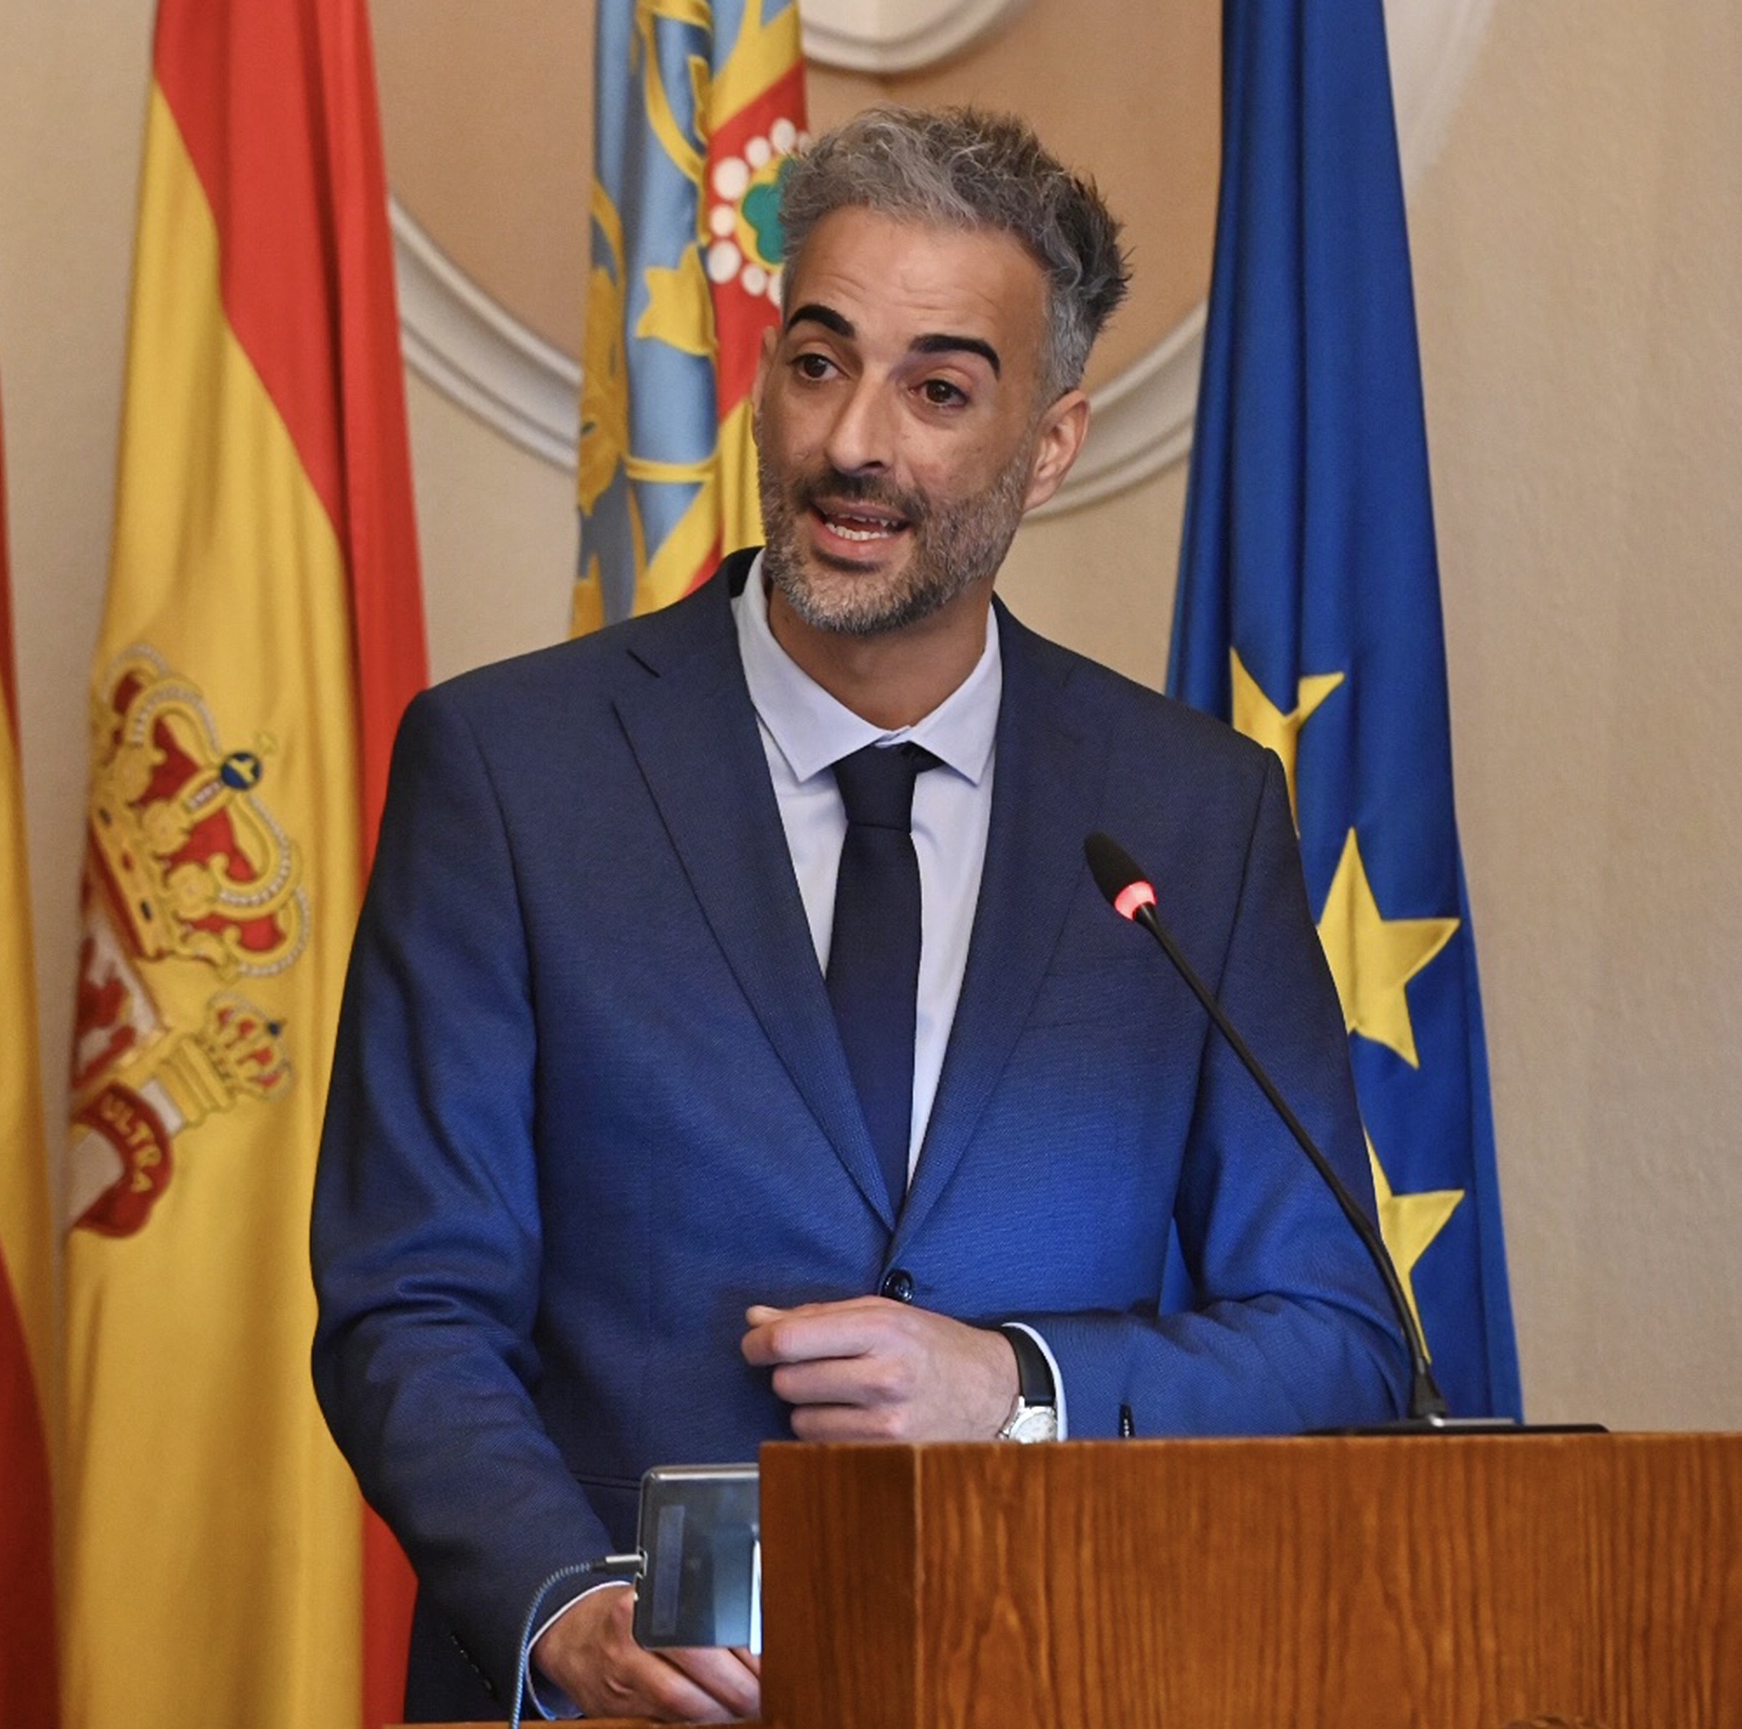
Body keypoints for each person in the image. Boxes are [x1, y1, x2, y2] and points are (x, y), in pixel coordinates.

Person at [312, 105, 1406, 1724]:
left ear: (1049, 444)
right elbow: (408, 1301)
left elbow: (1334, 1335)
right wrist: (565, 1611)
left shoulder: (1191, 810)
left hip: (1054, 1674)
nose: (853, 445)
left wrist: (1017, 1386)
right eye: (818, 363)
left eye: (938, 390)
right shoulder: (506, 767)